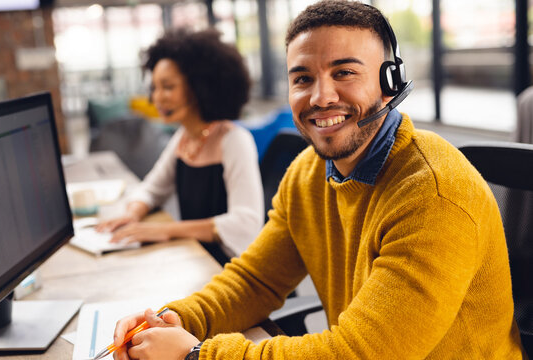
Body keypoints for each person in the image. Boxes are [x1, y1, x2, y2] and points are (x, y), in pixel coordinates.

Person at [111, 1, 524, 359]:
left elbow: (360, 354)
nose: (321, 97)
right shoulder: (308, 173)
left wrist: (197, 354)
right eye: (303, 78)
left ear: (388, 84)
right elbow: (257, 280)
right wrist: (176, 318)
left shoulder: (433, 193)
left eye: (344, 72)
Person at [97, 29, 264, 266]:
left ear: (199, 88)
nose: (157, 98)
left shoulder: (235, 140)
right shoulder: (183, 137)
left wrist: (168, 230)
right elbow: (152, 189)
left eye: (167, 87)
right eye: (154, 88)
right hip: (199, 260)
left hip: (235, 272)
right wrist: (132, 214)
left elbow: (245, 222)